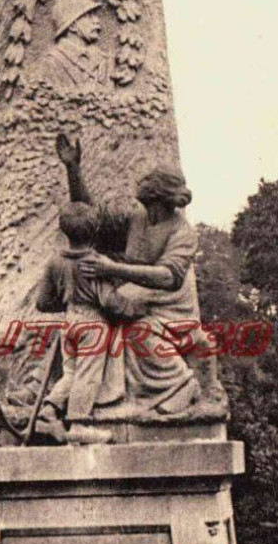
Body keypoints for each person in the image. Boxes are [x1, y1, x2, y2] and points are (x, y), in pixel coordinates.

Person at [56, 135, 203, 414]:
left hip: (172, 307)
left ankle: (182, 384)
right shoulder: (137, 218)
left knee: (139, 331)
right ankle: (107, 399)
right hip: (138, 297)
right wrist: (73, 169)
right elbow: (91, 217)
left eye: (146, 181)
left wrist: (113, 269)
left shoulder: (182, 233)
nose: (139, 184)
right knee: (104, 318)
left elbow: (168, 277)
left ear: (158, 193)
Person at [34, 201, 124, 441]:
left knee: (71, 372)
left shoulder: (55, 262)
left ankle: (49, 409)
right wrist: (131, 306)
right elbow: (110, 303)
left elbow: (42, 302)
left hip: (69, 321)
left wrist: (66, 299)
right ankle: (79, 425)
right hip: (93, 323)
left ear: (64, 230)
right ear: (95, 230)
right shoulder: (96, 262)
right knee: (88, 374)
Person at [39, 0, 109, 90]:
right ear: (72, 26)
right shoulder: (52, 62)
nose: (96, 21)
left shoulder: (101, 58)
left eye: (95, 15)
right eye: (89, 15)